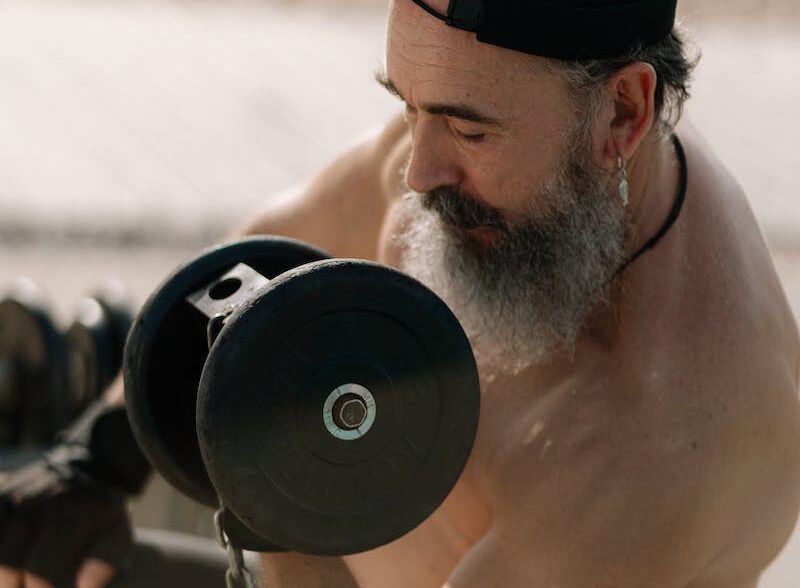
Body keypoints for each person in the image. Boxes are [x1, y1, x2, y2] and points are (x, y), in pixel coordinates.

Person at [2, 0, 800, 586]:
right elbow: (266, 249)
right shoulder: (512, 126)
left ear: (623, 111)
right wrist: (97, 456)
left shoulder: (652, 455)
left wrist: (275, 493)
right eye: (407, 108)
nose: (418, 173)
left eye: (467, 130)